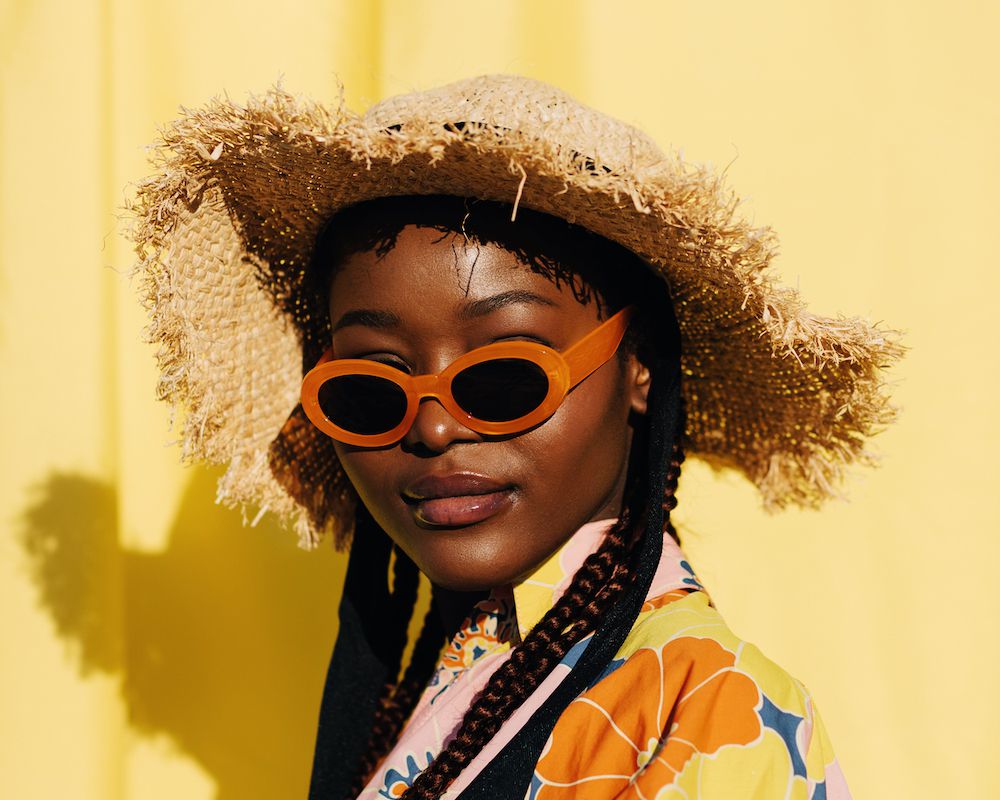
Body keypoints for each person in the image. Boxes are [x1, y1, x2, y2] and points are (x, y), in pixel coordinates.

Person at [128, 75, 902, 799]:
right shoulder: (461, 673)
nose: (432, 428)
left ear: (637, 367)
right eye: (369, 390)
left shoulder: (707, 715)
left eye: (504, 380)